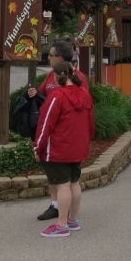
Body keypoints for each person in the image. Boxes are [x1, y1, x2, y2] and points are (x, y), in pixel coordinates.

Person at [25, 40, 87, 221]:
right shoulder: (51, 76)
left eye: (51, 55)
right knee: (60, 179)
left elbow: (81, 106)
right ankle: (59, 208)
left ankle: (62, 220)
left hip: (60, 134)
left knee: (63, 183)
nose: (48, 58)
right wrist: (34, 94)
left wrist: (38, 146)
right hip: (59, 131)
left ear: (59, 58)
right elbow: (43, 94)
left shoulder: (78, 79)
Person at [33, 62, 95, 238]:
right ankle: (72, 220)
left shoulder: (57, 96)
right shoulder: (84, 94)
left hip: (58, 148)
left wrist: (37, 146)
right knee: (74, 183)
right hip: (78, 147)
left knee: (62, 186)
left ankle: (61, 225)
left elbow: (45, 123)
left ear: (56, 76)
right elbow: (91, 124)